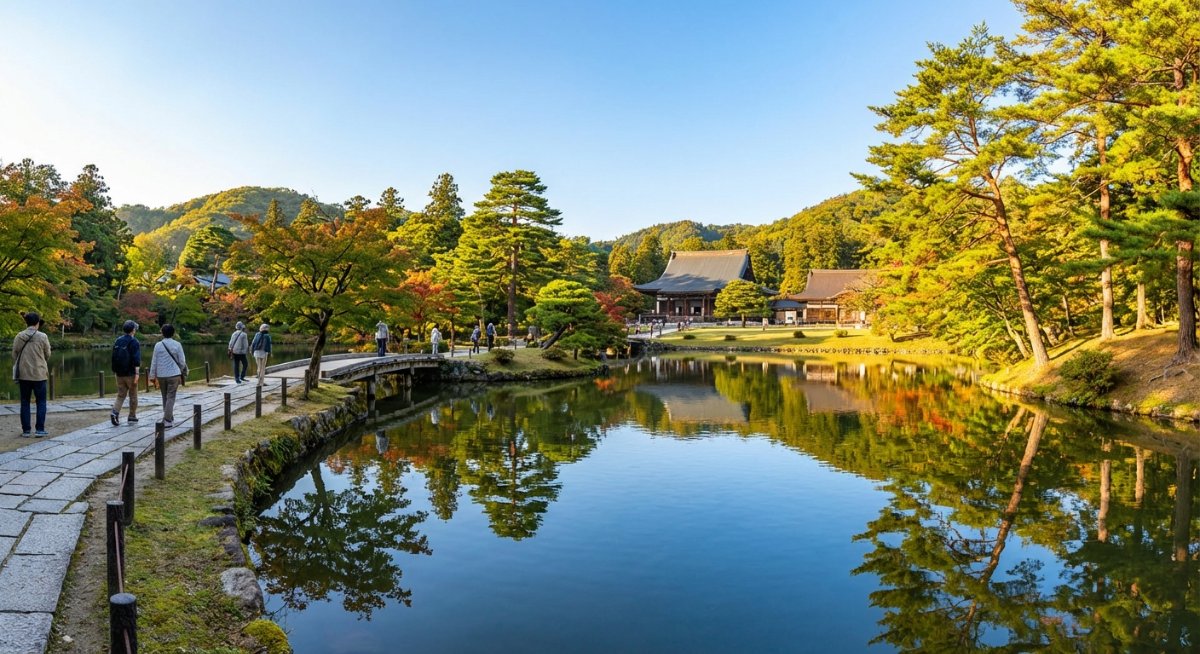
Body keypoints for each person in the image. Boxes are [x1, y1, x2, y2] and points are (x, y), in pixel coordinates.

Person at [12, 311, 51, 437]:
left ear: (26, 322)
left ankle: (26, 431)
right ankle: (40, 429)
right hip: (39, 374)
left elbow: (14, 354)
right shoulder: (43, 336)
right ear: (37, 323)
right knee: (41, 402)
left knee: (25, 402)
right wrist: (41, 360)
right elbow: (48, 354)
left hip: (24, 374)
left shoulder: (19, 336)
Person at [148, 323, 187, 429]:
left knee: (164, 396)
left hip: (161, 375)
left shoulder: (158, 345)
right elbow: (182, 361)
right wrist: (182, 370)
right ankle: (168, 419)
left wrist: (152, 375)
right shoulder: (177, 345)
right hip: (174, 374)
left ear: (162, 333)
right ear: (173, 333)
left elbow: (154, 362)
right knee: (171, 397)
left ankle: (168, 417)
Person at [110, 320, 142, 426]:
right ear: (133, 330)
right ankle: (132, 416)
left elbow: (113, 357)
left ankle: (114, 412)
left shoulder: (118, 340)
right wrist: (137, 374)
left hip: (119, 373)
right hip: (130, 373)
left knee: (120, 395)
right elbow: (136, 359)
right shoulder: (134, 342)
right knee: (133, 395)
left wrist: (114, 371)